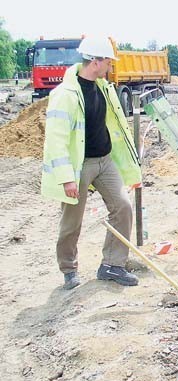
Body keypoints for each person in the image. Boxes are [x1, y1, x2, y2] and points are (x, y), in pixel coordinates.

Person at [41, 36, 142, 290]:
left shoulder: (104, 88)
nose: (110, 67)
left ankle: (112, 265)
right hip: (79, 165)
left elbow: (117, 129)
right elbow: (56, 139)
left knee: (123, 207)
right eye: (108, 62)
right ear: (95, 62)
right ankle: (69, 269)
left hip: (105, 161)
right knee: (71, 222)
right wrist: (66, 178)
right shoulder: (64, 95)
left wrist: (130, 168)